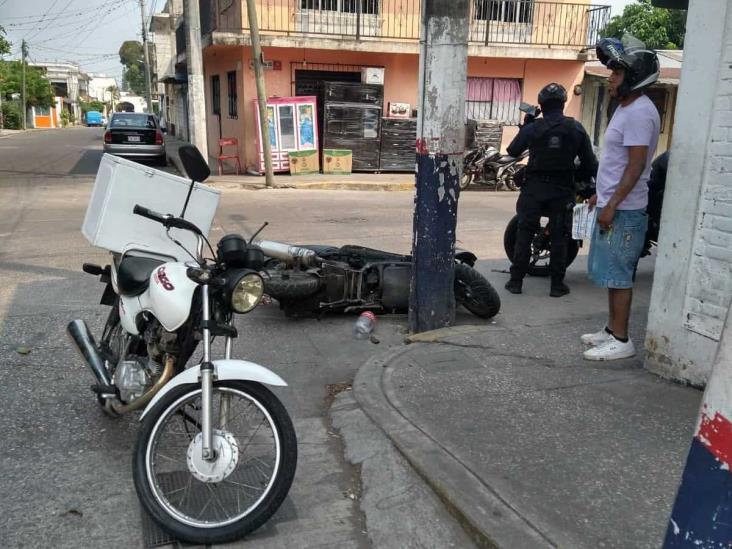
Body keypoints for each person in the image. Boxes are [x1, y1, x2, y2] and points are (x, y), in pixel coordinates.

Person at [582, 36, 661, 361]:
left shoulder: (640, 113)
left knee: (619, 274)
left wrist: (612, 204)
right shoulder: (627, 108)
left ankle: (623, 339)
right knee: (611, 273)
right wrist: (601, 195)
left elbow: (636, 165)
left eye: (616, 74)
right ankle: (611, 330)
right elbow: (616, 163)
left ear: (633, 78)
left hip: (626, 211)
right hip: (615, 204)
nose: (609, 78)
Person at [505, 83, 598, 297]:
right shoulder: (575, 128)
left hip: (534, 188)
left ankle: (516, 282)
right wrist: (588, 182)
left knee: (524, 232)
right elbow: (590, 162)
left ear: (542, 105)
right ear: (563, 104)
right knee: (560, 236)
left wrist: (526, 125)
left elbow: (513, 150)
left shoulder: (533, 127)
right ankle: (557, 285)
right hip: (562, 189)